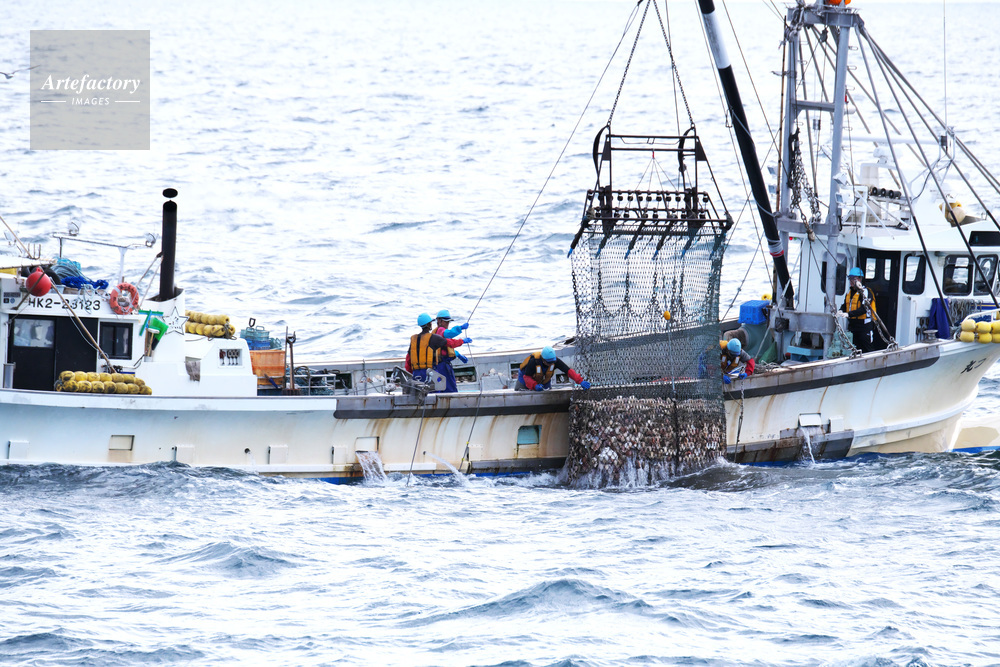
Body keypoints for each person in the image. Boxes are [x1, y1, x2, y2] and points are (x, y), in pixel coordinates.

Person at [515, 346, 591, 391]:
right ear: (543, 360)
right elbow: (527, 377)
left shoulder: (555, 362)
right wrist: (535, 386)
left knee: (546, 396)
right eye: (549, 362)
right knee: (522, 395)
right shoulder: (533, 362)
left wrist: (580, 381)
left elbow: (568, 371)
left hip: (544, 380)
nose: (551, 364)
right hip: (525, 379)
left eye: (553, 362)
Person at [432, 309, 472, 393]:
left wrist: (458, 354)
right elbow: (449, 333)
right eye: (445, 321)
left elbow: (446, 348)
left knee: (443, 387)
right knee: (450, 388)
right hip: (442, 366)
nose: (447, 323)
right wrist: (460, 328)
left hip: (439, 365)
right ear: (439, 321)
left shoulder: (437, 332)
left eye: (448, 322)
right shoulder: (440, 330)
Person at [841, 266, 877, 353]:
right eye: (850, 278)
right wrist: (841, 310)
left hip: (864, 326)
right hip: (853, 326)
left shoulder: (866, 292)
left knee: (867, 349)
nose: (851, 281)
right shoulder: (849, 292)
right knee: (853, 349)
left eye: (854, 279)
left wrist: (849, 314)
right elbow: (845, 305)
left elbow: (864, 309)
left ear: (860, 279)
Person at [405, 313, 447, 383]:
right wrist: (462, 341)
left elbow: (408, 359)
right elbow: (447, 342)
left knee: (419, 389)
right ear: (429, 324)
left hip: (416, 374)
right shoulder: (433, 338)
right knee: (436, 388)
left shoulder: (414, 340)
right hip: (430, 373)